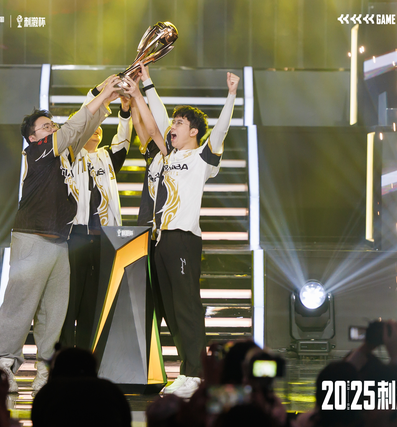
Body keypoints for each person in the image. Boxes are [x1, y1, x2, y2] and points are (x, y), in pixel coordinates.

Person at [0, 76, 120, 395]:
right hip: (31, 238)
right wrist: (103, 93)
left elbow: (85, 127)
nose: (52, 128)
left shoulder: (64, 154)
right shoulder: (36, 152)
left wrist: (106, 98)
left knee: (54, 312)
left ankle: (46, 372)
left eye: (52, 125)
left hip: (59, 242)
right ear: (33, 136)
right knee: (19, 305)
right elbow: (75, 126)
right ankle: (4, 366)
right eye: (46, 126)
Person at [122, 63, 239, 398]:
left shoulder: (202, 158)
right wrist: (144, 84)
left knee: (186, 307)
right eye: (173, 122)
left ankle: (198, 375)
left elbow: (221, 130)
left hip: (183, 239)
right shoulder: (166, 155)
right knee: (171, 310)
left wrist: (231, 95)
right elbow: (156, 118)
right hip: (159, 240)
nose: (172, 126)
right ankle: (186, 371)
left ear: (194, 132)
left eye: (180, 123)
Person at [59, 77, 132, 350]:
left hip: (103, 239)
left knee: (94, 302)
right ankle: (64, 358)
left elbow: (123, 141)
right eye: (92, 126)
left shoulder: (106, 158)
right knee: (69, 301)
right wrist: (100, 93)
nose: (96, 130)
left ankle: (87, 359)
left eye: (100, 127)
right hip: (74, 237)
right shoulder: (68, 154)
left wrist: (125, 111)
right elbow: (82, 119)